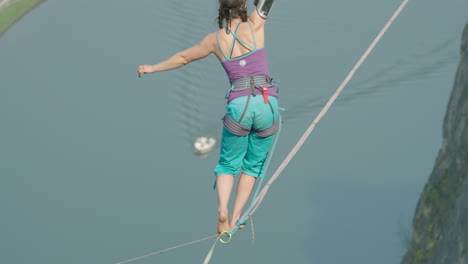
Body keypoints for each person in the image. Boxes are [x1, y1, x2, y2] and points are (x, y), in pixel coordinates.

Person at [137, 0, 278, 234]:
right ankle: (234, 218)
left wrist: (152, 67)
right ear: (244, 6)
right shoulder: (255, 24)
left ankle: (222, 210)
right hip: (267, 104)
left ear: (222, 10)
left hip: (239, 105)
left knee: (227, 165)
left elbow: (183, 57)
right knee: (252, 168)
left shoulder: (214, 40)